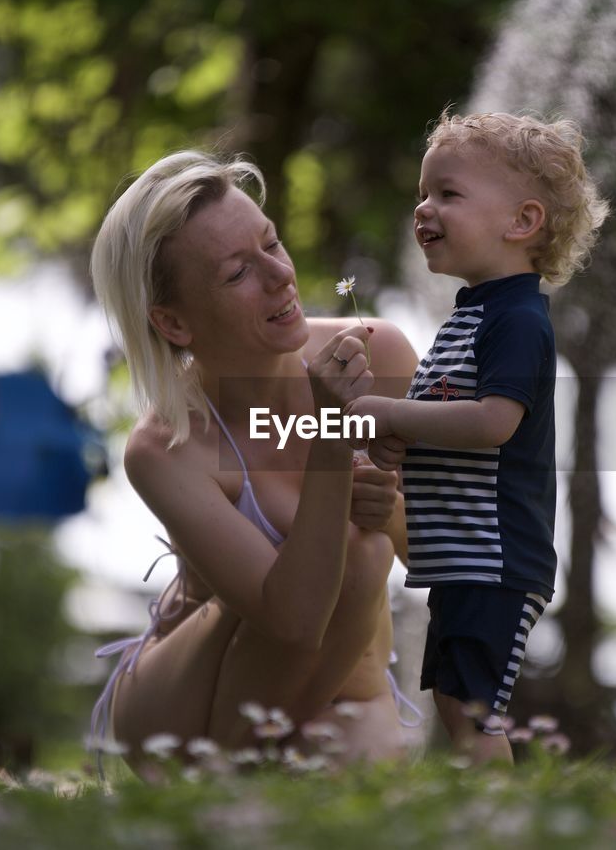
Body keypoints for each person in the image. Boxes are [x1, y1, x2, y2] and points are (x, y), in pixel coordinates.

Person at [86, 149, 422, 772]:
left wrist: (394, 510)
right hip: (193, 701)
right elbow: (292, 620)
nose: (279, 277)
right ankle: (222, 783)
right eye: (238, 273)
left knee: (359, 809)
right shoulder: (166, 446)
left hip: (348, 687)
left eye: (271, 244)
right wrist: (331, 438)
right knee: (357, 551)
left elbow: (446, 557)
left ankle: (262, 774)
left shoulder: (379, 356)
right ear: (173, 322)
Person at [347, 111, 608, 764]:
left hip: (495, 558)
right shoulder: (469, 320)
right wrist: (396, 440)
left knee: (472, 708)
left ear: (521, 223)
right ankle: (480, 815)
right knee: (455, 699)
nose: (424, 208)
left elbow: (494, 421)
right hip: (465, 559)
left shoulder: (517, 321)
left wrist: (391, 415)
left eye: (448, 193)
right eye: (423, 192)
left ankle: (495, 824)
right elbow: (442, 418)